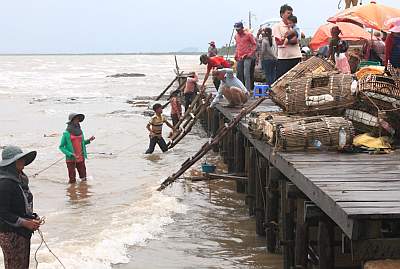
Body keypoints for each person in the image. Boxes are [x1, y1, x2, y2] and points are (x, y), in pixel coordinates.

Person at [0, 145, 41, 269]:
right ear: (11, 164)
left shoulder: (18, 180)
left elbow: (20, 206)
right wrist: (25, 223)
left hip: (21, 232)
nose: (23, 161)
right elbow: (2, 212)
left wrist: (32, 217)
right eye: (20, 159)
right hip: (10, 234)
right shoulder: (5, 183)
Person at [59, 113, 95, 184]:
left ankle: (83, 192)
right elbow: (61, 147)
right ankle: (72, 192)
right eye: (76, 119)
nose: (77, 121)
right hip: (71, 159)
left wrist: (88, 140)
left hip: (81, 157)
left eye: (78, 119)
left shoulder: (80, 132)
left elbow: (81, 143)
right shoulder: (66, 133)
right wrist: (70, 154)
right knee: (72, 180)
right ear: (71, 121)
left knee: (84, 178)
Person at [272, 4, 302, 79]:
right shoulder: (277, 26)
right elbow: (279, 42)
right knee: (281, 81)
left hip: (296, 56)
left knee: (296, 80)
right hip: (284, 58)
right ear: (282, 14)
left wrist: (290, 39)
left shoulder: (294, 26)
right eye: (288, 13)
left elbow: (298, 40)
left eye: (291, 13)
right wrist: (291, 40)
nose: (290, 15)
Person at [234, 21, 257, 91]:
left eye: (239, 29)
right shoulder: (236, 36)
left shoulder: (248, 35)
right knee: (239, 74)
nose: (237, 31)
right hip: (240, 56)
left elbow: (254, 45)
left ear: (242, 28)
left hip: (247, 57)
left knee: (246, 73)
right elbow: (237, 46)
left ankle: (247, 90)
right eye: (236, 29)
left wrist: (250, 54)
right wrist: (236, 54)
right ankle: (240, 89)